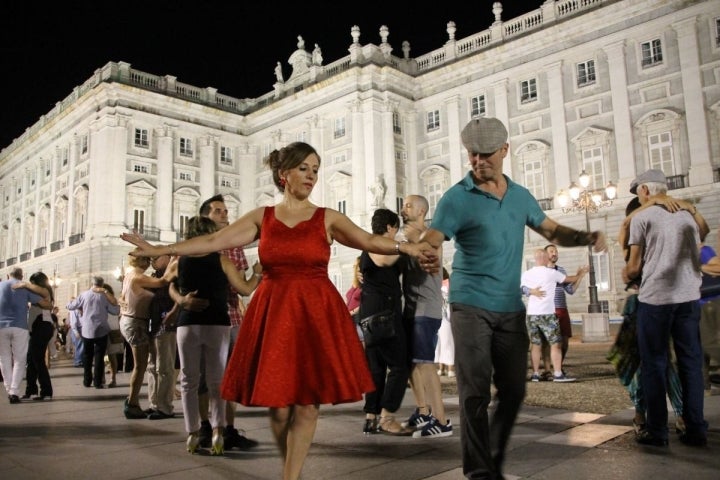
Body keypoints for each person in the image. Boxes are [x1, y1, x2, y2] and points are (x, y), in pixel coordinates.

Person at [121, 141, 436, 480]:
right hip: (274, 312)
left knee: (307, 402)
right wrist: (162, 248)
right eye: (304, 168)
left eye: (316, 170)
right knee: (279, 406)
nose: (312, 176)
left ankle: (291, 475)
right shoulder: (263, 218)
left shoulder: (327, 217)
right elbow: (213, 242)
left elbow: (370, 241)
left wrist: (408, 248)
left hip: (315, 312)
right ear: (284, 174)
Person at [420, 117, 607, 480]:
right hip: (469, 303)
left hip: (508, 306)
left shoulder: (521, 196)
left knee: (513, 389)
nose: (478, 161)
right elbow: (434, 235)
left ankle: (490, 456)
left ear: (505, 151)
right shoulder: (457, 197)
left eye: (486, 154)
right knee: (474, 389)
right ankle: (479, 471)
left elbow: (552, 230)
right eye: (472, 154)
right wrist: (427, 252)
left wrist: (586, 237)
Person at [164, 216, 261, 455]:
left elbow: (165, 283)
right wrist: (257, 272)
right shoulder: (222, 260)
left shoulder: (180, 261)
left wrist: (181, 299)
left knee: (188, 381)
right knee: (217, 382)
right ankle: (218, 431)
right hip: (217, 323)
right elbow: (245, 289)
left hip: (188, 324)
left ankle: (192, 433)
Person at [626, 168, 707, 447]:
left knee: (654, 364)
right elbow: (700, 242)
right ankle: (696, 427)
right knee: (691, 363)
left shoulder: (641, 217)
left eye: (638, 192)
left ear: (646, 190)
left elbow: (634, 266)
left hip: (655, 299)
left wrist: (627, 274)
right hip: (687, 297)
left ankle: (657, 430)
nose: (638, 197)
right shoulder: (688, 216)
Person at [399, 194, 453, 438]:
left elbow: (429, 254)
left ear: (421, 211)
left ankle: (441, 420)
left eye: (408, 205)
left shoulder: (430, 236)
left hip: (426, 308)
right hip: (410, 307)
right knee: (412, 363)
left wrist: (409, 241)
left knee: (426, 363)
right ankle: (423, 410)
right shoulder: (405, 237)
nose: (403, 209)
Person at [359, 208, 412, 436]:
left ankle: (371, 418)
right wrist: (406, 246)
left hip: (372, 313)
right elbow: (383, 259)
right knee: (400, 365)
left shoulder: (368, 246)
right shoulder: (379, 245)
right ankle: (387, 416)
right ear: (390, 227)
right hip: (383, 313)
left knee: (376, 369)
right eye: (395, 228)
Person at [119, 255, 169, 419]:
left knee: (143, 365)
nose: (150, 262)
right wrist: (174, 266)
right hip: (136, 323)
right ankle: (132, 403)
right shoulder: (139, 277)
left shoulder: (129, 275)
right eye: (148, 259)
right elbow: (162, 282)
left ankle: (133, 402)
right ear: (142, 261)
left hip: (131, 321)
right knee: (140, 366)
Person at [522, 249, 581, 383]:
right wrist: (580, 274)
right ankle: (558, 373)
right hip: (547, 313)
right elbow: (570, 280)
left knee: (536, 345)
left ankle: (536, 374)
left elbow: (520, 288)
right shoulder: (551, 273)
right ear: (544, 259)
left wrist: (531, 291)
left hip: (531, 314)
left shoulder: (527, 273)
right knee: (555, 344)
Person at [0, 267, 51, 404]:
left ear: (7, 275)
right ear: (21, 276)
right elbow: (46, 303)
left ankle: (9, 388)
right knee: (19, 359)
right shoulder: (25, 288)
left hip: (1, 327)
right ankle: (14, 391)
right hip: (19, 327)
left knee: (4, 358)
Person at [537, 244, 588, 377]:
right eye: (551, 251)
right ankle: (547, 370)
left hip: (562, 309)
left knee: (564, 342)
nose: (554, 253)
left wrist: (580, 277)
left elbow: (570, 290)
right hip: (547, 310)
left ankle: (558, 366)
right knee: (547, 341)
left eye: (556, 251)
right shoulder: (540, 271)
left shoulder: (561, 270)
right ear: (545, 254)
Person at [66, 276, 120, 390]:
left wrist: (71, 303)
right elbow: (115, 311)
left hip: (87, 330)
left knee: (87, 356)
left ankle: (87, 380)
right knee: (99, 357)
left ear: (92, 283)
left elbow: (71, 306)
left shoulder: (84, 295)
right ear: (102, 284)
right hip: (102, 329)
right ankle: (97, 382)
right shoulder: (104, 296)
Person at [23, 272, 56, 400]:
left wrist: (24, 284)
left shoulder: (44, 291)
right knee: (31, 360)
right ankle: (31, 390)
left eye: (33, 283)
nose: (31, 285)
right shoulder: (39, 293)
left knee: (37, 360)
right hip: (38, 328)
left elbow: (38, 289)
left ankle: (46, 391)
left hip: (42, 327)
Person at [435, 267, 455, 378]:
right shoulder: (436, 285)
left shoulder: (448, 285)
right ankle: (441, 367)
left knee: (447, 341)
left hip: (446, 317)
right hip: (439, 316)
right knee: (439, 342)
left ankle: (450, 367)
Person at [104, 283, 123, 388]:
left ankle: (113, 378)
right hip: (101, 330)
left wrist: (105, 292)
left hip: (112, 329)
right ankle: (101, 377)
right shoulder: (99, 301)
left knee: (112, 356)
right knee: (101, 356)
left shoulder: (113, 301)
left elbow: (116, 305)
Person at [345, 256, 363, 343]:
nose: (354, 268)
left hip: (358, 321)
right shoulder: (355, 284)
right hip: (350, 322)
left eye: (356, 266)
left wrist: (350, 313)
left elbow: (364, 304)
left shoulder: (365, 284)